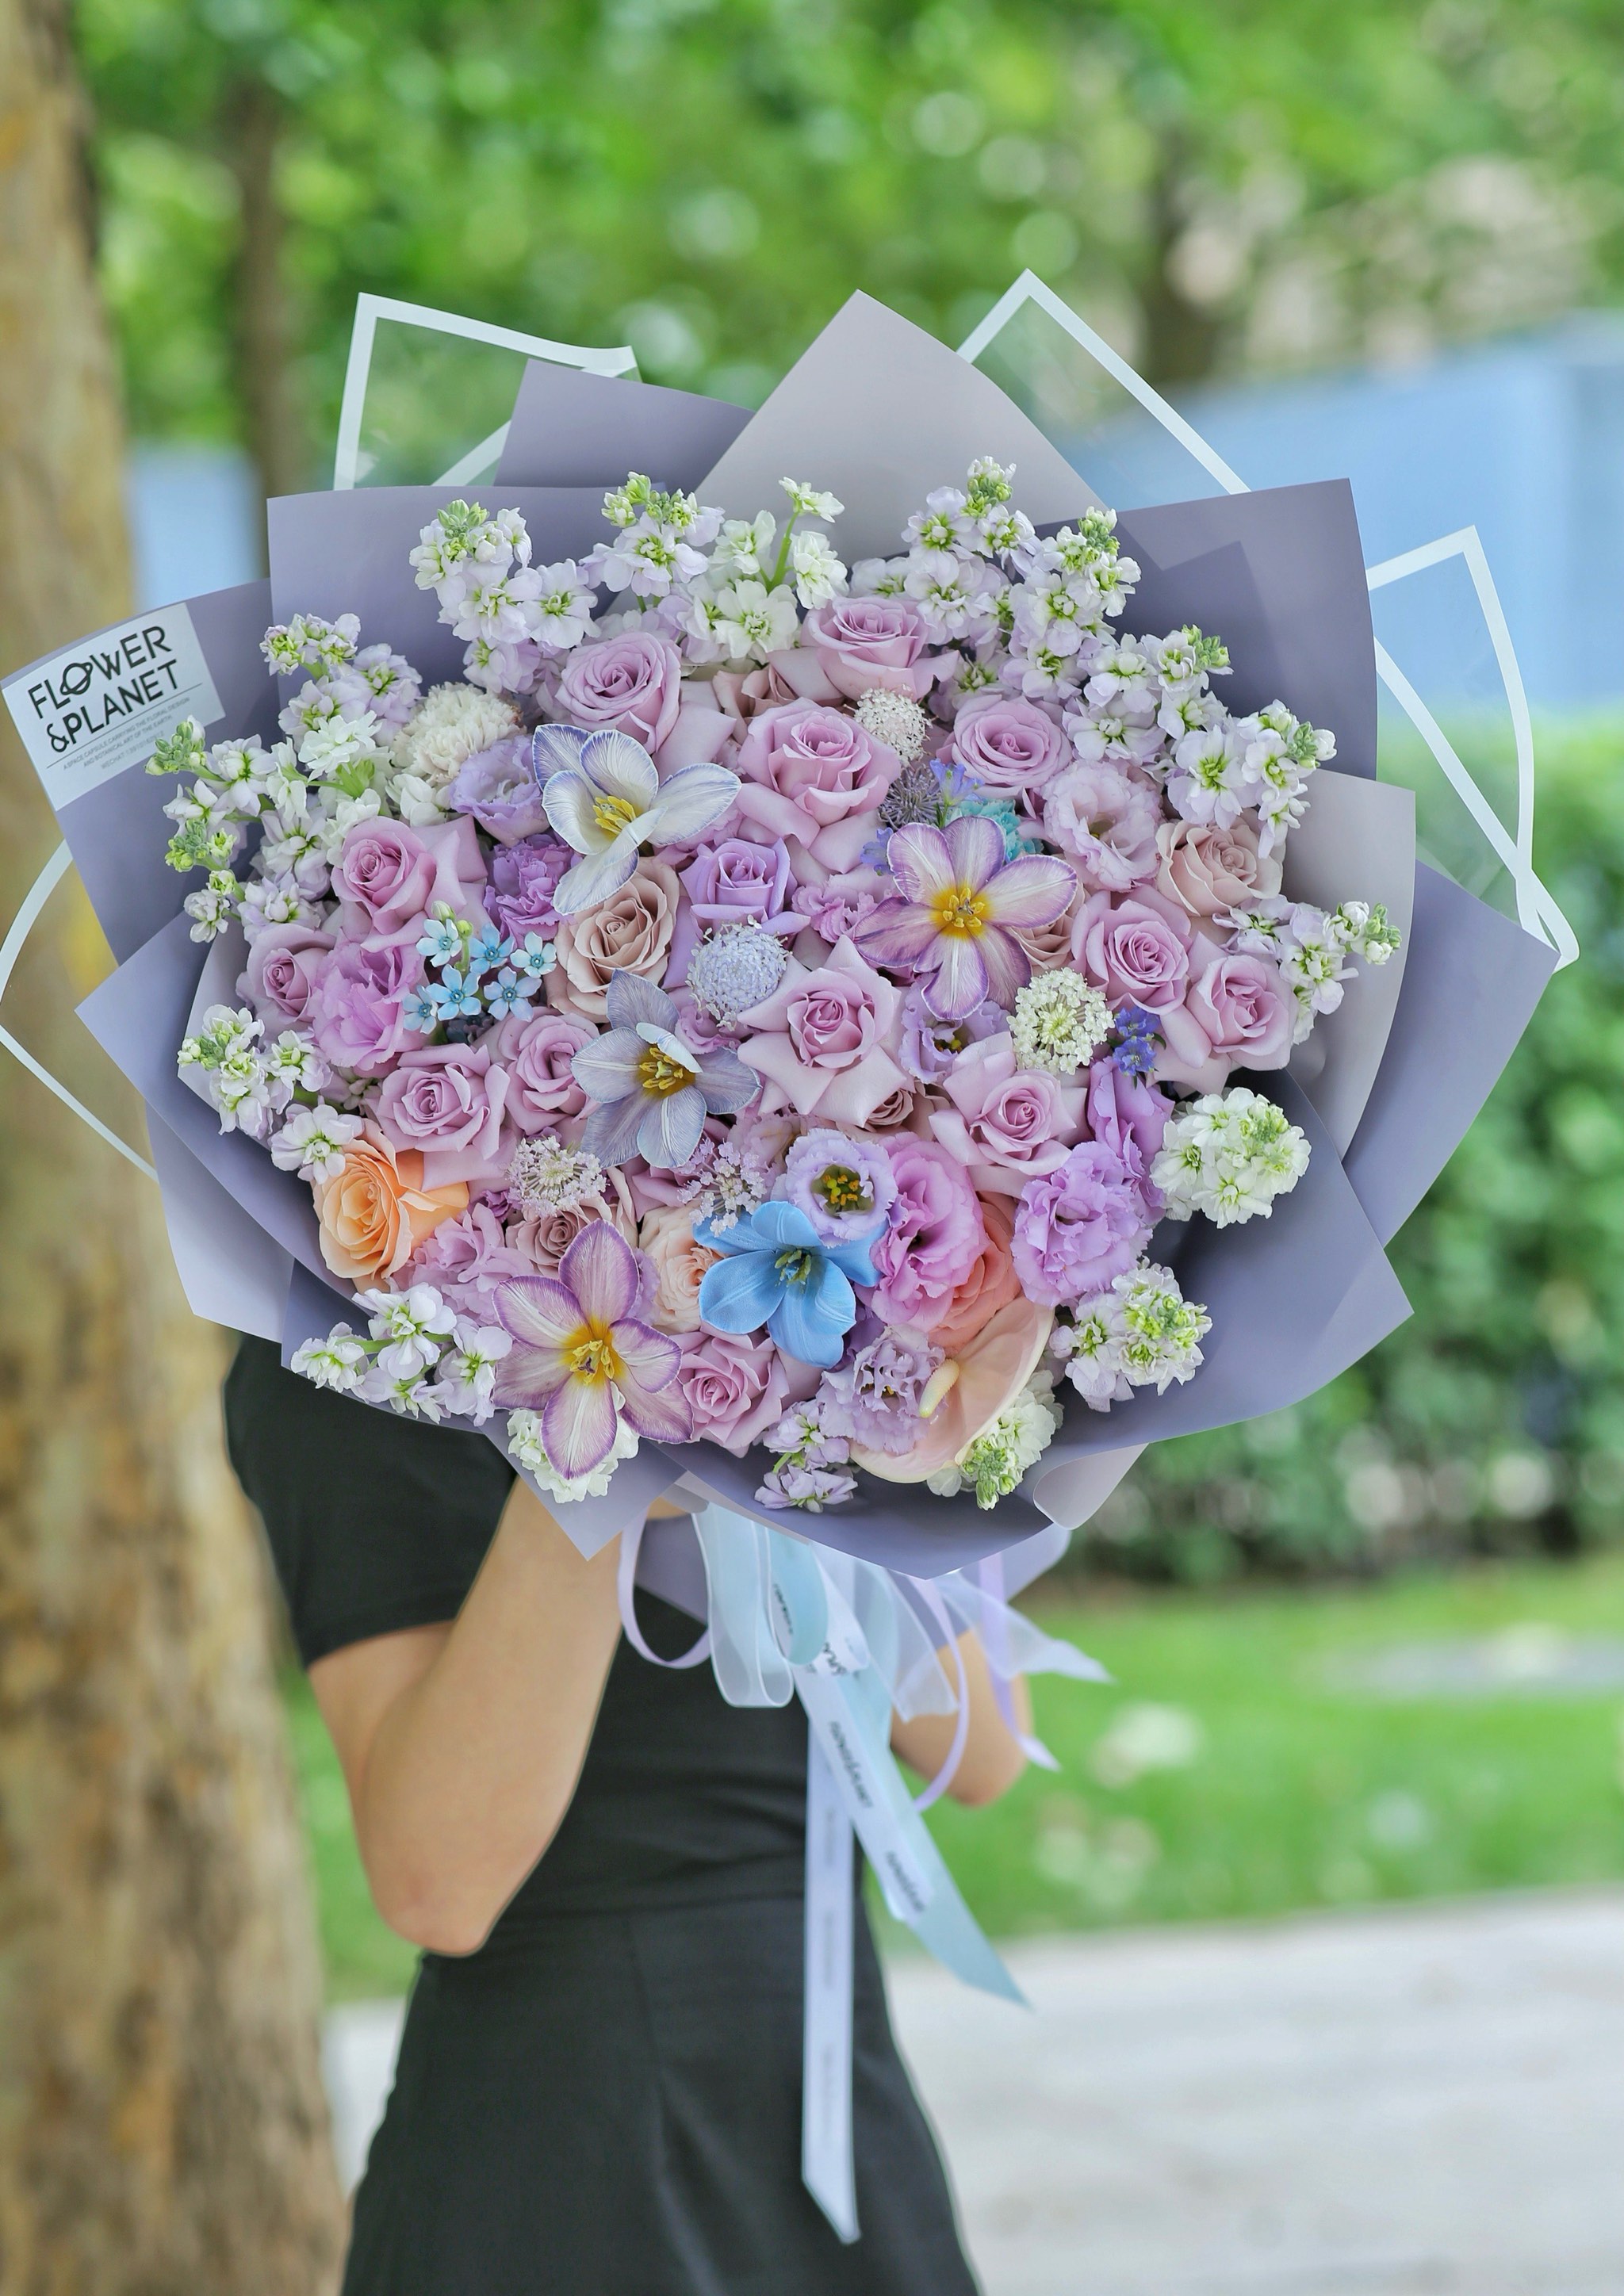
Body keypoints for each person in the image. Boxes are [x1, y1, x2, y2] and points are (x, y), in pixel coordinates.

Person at [226, 1334, 1031, 2296]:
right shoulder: (359, 1349)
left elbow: (979, 1752)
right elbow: (439, 1886)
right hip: (572, 2156)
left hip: (830, 2100)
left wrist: (853, 1394)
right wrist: (603, 1441)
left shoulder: (790, 1313)